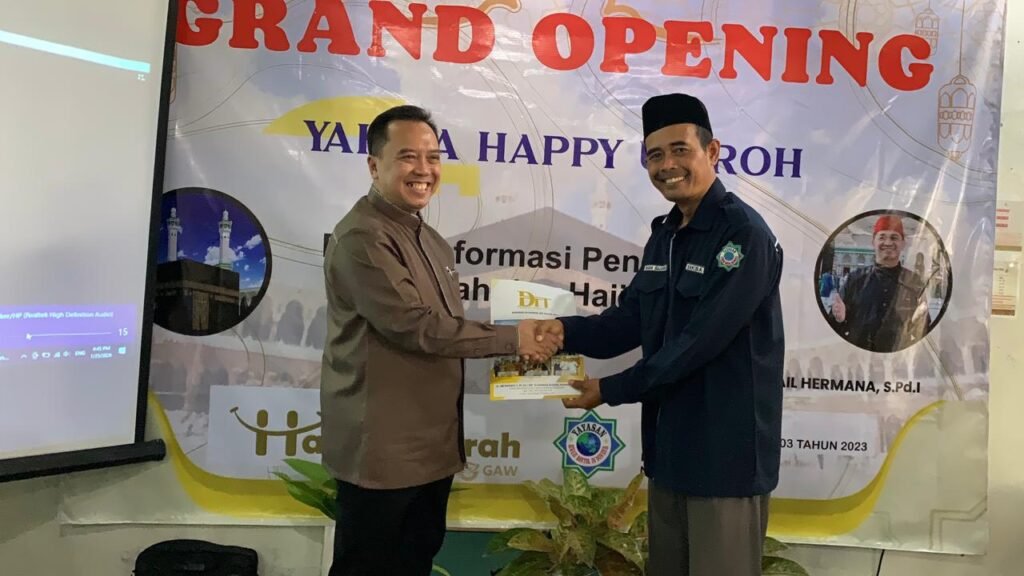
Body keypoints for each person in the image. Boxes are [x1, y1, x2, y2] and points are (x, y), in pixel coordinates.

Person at [533, 93, 785, 575]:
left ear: (712, 152)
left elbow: (696, 345)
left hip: (724, 460)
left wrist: (609, 389)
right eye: (655, 155)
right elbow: (628, 321)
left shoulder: (742, 235)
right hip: (670, 454)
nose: (667, 165)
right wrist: (562, 330)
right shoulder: (666, 235)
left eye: (679, 150)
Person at [320, 104, 559, 576]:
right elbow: (416, 326)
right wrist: (515, 339)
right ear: (374, 165)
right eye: (408, 156)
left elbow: (448, 330)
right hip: (384, 452)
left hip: (432, 449)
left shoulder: (430, 240)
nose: (424, 169)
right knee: (368, 568)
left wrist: (526, 340)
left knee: (416, 561)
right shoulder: (363, 238)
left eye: (432, 157)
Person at [829, 214, 930, 352]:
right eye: (882, 237)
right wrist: (840, 319)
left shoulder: (914, 282)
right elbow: (833, 327)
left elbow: (925, 332)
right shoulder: (854, 280)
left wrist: (918, 323)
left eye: (894, 237)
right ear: (873, 242)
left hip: (899, 359)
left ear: (903, 243)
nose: (888, 242)